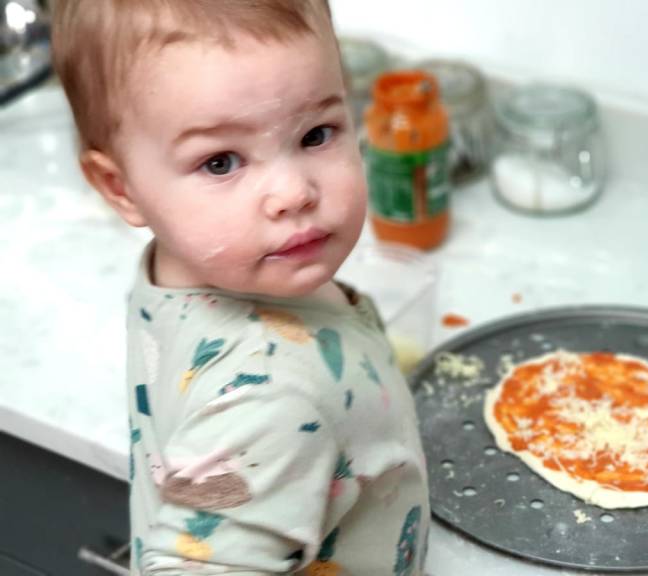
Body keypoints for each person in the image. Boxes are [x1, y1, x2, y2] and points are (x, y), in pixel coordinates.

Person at [51, 1, 429, 574]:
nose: (293, 193)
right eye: (221, 162)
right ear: (121, 187)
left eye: (316, 133)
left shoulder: (183, 269)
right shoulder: (270, 397)